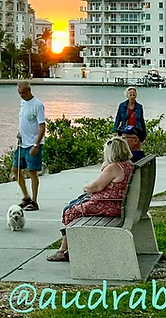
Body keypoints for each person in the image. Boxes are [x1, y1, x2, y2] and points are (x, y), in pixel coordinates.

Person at [46, 137, 134, 262]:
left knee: (69, 210)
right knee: (72, 205)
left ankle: (64, 249)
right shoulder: (128, 165)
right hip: (120, 204)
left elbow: (95, 186)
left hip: (109, 205)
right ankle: (67, 248)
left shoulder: (114, 167)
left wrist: (85, 187)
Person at [12, 80, 46, 211]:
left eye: (23, 93)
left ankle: (34, 201)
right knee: (15, 169)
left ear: (29, 91)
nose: (21, 95)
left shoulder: (37, 105)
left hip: (33, 144)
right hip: (22, 143)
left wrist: (36, 145)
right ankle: (26, 197)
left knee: (32, 172)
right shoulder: (22, 103)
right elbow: (25, 121)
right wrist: (20, 133)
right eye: (19, 93)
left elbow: (42, 126)